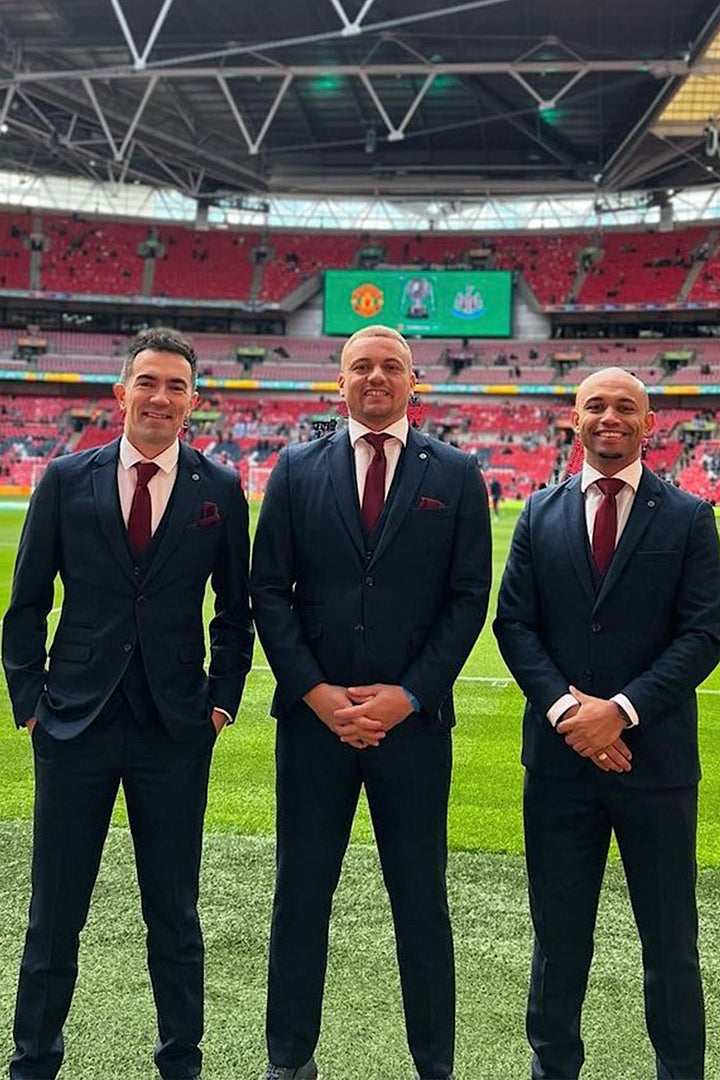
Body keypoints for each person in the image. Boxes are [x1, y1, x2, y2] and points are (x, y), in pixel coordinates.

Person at [2, 328, 254, 1080]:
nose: (161, 397)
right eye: (148, 382)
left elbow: (234, 613)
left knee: (174, 913)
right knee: (55, 913)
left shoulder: (221, 490)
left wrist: (220, 704)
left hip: (174, 727)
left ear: (194, 404)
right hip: (73, 720)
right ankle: (32, 1060)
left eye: (177, 386)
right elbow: (26, 603)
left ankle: (181, 1061)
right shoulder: (65, 479)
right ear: (121, 393)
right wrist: (28, 704)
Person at [251, 324, 492, 1080]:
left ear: (415, 382)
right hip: (314, 727)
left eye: (391, 366)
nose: (377, 377)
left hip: (414, 730)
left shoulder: (456, 474)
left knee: (421, 901)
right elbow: (268, 592)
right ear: (341, 380)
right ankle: (290, 1059)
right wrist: (317, 694)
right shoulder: (295, 469)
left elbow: (468, 599)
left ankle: (435, 1063)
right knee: (300, 896)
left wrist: (411, 694)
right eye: (363, 366)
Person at [494, 367, 720, 1080]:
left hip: (654, 766)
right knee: (558, 941)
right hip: (560, 769)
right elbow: (514, 625)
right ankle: (552, 1069)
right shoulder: (538, 512)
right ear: (574, 419)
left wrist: (619, 712)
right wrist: (570, 714)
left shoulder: (687, 517)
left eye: (626, 407)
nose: (610, 417)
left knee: (671, 943)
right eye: (596, 405)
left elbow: (704, 633)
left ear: (651, 424)